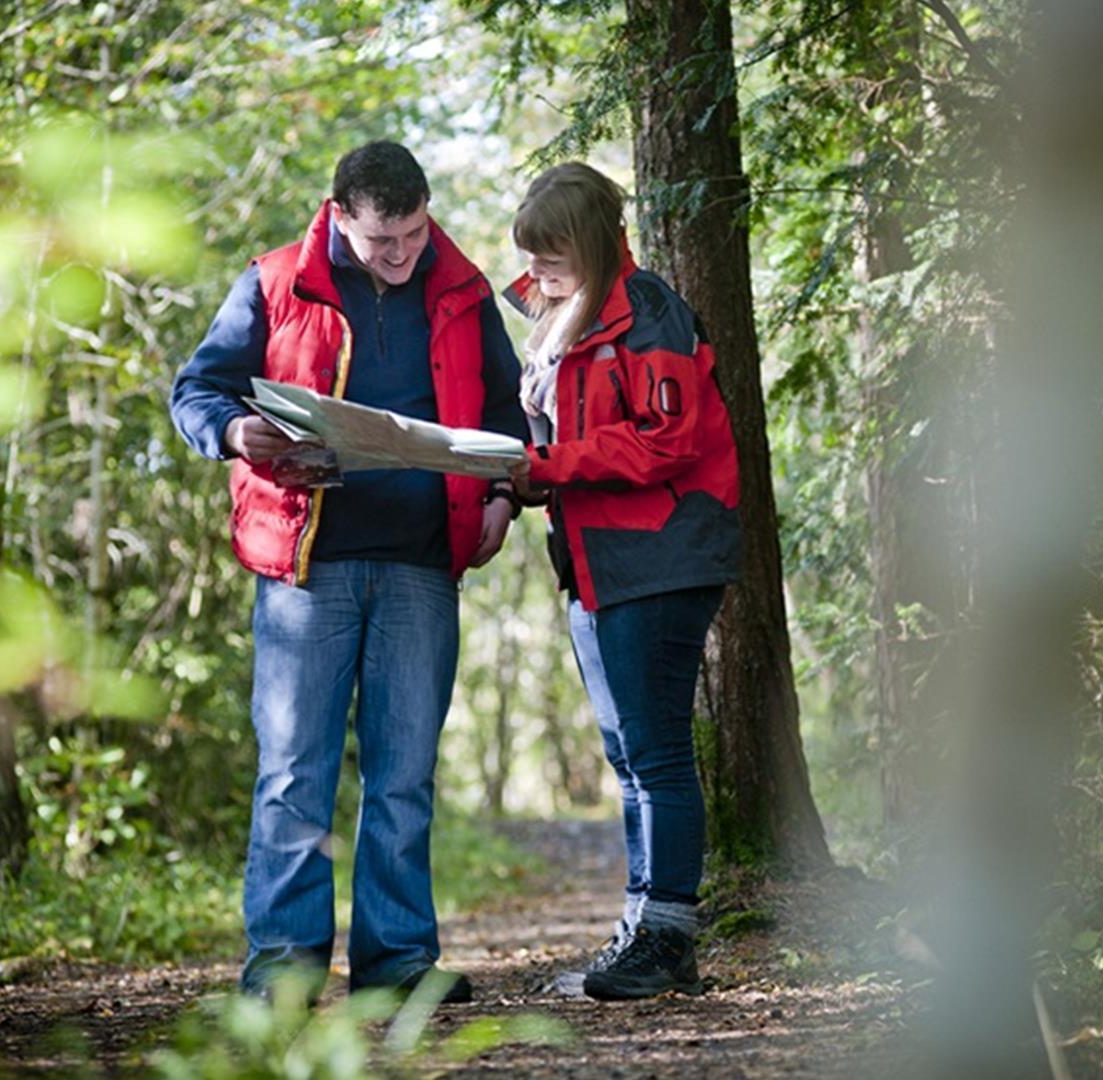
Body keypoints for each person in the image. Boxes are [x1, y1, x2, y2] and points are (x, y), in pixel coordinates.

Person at [169, 141, 528, 1004]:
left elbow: (511, 414)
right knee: (295, 771)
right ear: (338, 216)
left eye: (412, 233)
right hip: (307, 566)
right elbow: (197, 389)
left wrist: (505, 500)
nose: (400, 254)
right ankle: (284, 972)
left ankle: (399, 964)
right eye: (381, 242)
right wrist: (233, 434)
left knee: (403, 774)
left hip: (422, 562)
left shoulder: (464, 287)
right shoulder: (274, 280)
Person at [505, 162, 743, 1000]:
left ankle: (669, 935)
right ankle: (643, 928)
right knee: (628, 753)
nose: (536, 274)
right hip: (594, 563)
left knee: (658, 752)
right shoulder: (559, 322)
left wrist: (550, 465)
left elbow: (666, 441)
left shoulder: (648, 315)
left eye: (552, 257)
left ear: (597, 245)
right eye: (531, 258)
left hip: (661, 556)